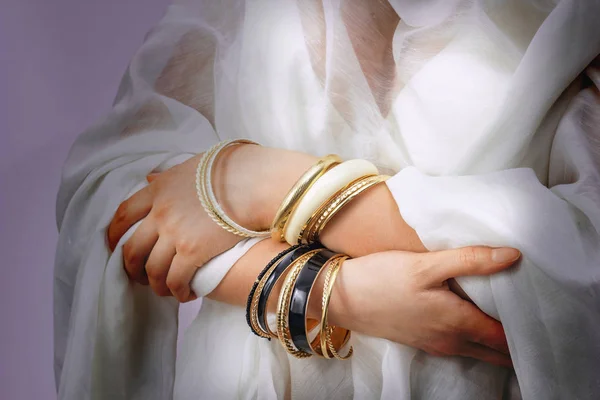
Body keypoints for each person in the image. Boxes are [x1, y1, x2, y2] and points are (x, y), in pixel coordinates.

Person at [54, 0, 600, 399]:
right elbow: (121, 199)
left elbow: (580, 262)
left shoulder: (574, 19)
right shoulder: (235, 12)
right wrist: (338, 295)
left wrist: (255, 182)